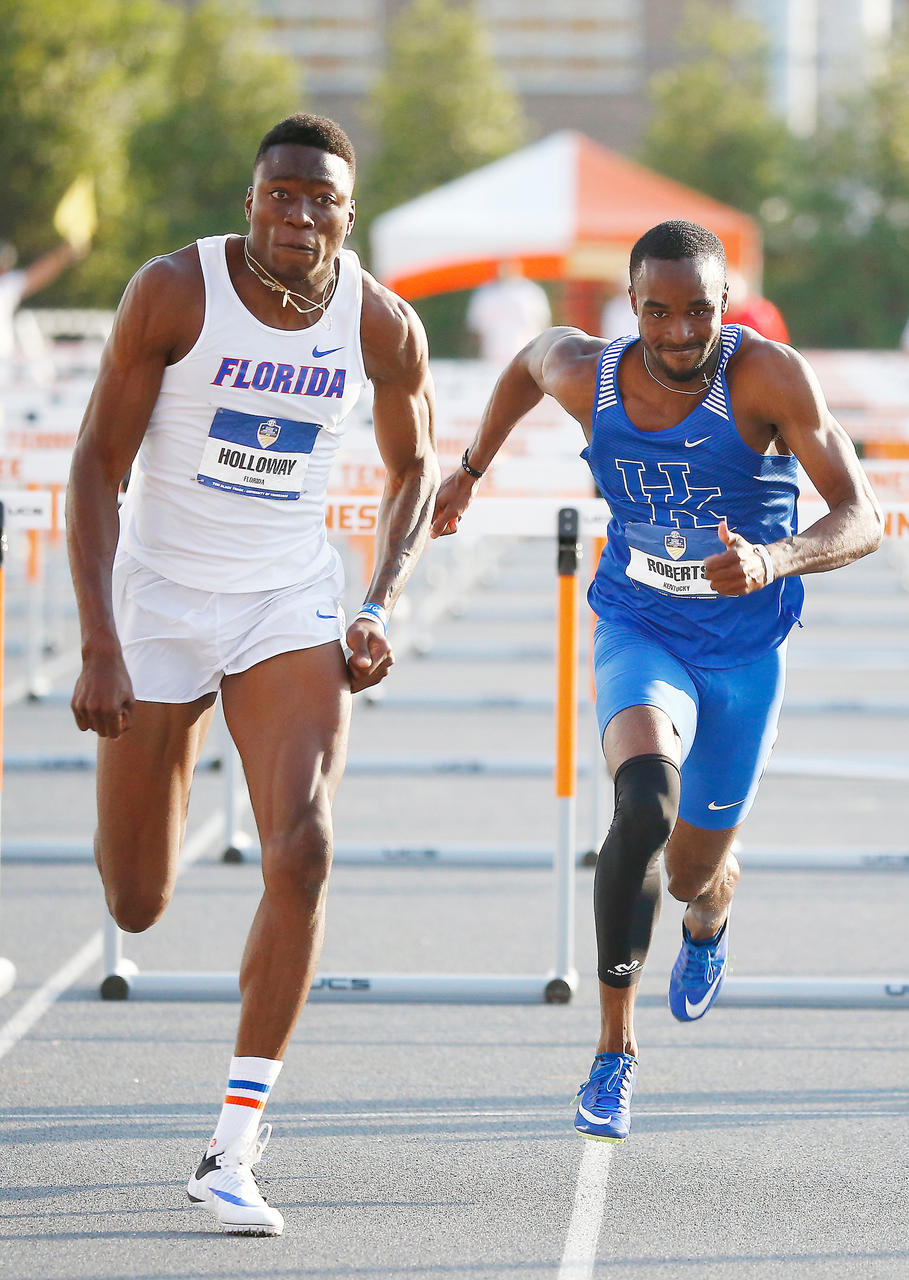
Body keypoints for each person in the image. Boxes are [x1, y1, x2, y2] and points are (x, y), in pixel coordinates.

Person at [67, 113, 439, 1235]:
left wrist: (380, 598)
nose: (298, 213)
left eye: (320, 198)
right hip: (161, 600)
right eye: (280, 192)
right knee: (137, 894)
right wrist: (98, 636)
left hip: (286, 598)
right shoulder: (174, 294)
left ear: (347, 214)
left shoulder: (382, 323)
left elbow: (416, 461)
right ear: (250, 201)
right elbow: (94, 462)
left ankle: (233, 1143)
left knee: (307, 843)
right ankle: (162, 793)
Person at [431, 219, 882, 1144]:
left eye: (699, 312)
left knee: (687, 875)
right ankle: (612, 1053)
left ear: (727, 304)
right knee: (641, 805)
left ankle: (713, 911)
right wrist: (470, 468)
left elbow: (863, 514)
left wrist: (773, 558)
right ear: (627, 306)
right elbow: (523, 364)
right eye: (658, 312)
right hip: (638, 627)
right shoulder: (584, 370)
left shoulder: (765, 377)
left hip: (743, 652)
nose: (679, 333)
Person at [0, 239, 86, 384]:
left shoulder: (7, 284)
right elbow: (39, 273)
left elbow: (39, 272)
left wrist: (64, 254)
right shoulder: (8, 285)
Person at [466, 260, 551, 364]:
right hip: (493, 355)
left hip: (525, 354)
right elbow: (477, 327)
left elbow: (541, 324)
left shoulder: (531, 293)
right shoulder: (486, 294)